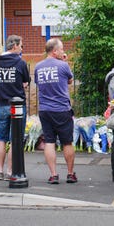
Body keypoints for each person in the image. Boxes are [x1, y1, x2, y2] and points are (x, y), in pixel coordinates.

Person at [34, 38, 77, 184]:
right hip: (62, 109)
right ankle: (70, 174)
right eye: (62, 49)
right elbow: (70, 81)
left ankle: (53, 175)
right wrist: (64, 62)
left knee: (49, 142)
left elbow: (39, 84)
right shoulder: (63, 66)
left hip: (45, 110)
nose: (63, 51)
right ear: (55, 51)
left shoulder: (38, 67)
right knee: (67, 142)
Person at [0, 35, 31, 180]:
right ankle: (10, 171)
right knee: (15, 139)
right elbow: (26, 81)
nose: (22, 49)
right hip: (17, 106)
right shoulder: (20, 63)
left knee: (1, 138)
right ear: (14, 46)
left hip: (2, 104)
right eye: (21, 46)